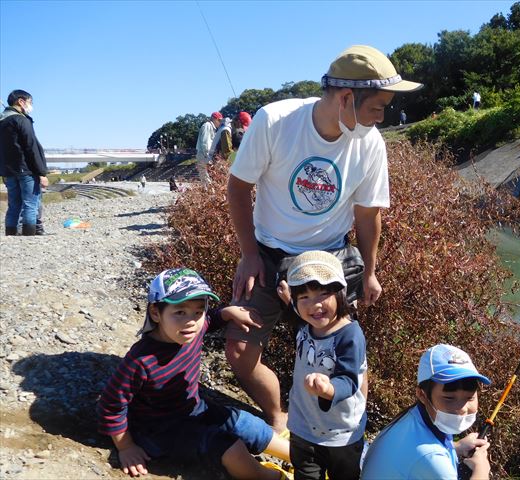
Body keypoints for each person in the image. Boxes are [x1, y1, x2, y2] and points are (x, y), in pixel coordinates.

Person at [225, 44, 422, 434]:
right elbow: (237, 187)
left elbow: (368, 216)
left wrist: (369, 272)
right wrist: (248, 255)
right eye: (377, 107)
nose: (381, 117)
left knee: (342, 357)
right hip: (267, 254)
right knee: (240, 351)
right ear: (347, 98)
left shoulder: (370, 143)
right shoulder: (276, 121)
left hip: (329, 260)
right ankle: (278, 415)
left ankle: (341, 431)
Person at [97, 267, 292, 480]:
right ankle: (273, 477)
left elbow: (209, 321)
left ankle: (306, 459)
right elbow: (111, 404)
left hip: (195, 409)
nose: (191, 321)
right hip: (159, 430)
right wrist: (125, 446)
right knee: (231, 449)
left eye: (198, 311)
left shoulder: (191, 330)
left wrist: (227, 313)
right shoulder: (140, 360)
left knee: (247, 423)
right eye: (180, 312)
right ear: (155, 313)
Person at [277, 251, 367, 480]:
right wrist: (290, 300)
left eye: (324, 293)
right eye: (304, 297)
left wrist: (328, 389)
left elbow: (349, 379)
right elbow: (297, 317)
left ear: (341, 293)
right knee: (305, 474)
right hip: (303, 424)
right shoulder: (305, 321)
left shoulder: (349, 335)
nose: (314, 305)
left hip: (341, 432)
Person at [360, 344, 491, 479]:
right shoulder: (432, 459)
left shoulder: (413, 417)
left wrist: (456, 447)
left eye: (470, 398)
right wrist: (481, 468)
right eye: (449, 398)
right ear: (422, 395)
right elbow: (427, 458)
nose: (463, 408)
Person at [0, 89, 48, 236]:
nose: (30, 106)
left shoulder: (2, 121)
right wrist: (41, 172)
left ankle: (11, 233)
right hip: (25, 170)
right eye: (29, 102)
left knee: (13, 205)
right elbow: (31, 146)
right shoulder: (21, 119)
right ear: (21, 101)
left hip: (8, 172)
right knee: (30, 203)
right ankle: (29, 234)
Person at [195, 111, 223, 185]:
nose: (220, 122)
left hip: (204, 155)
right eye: (219, 120)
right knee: (206, 179)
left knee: (207, 178)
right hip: (204, 155)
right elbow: (205, 142)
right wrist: (208, 157)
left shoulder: (211, 127)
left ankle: (208, 192)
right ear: (214, 119)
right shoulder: (207, 125)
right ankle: (208, 193)